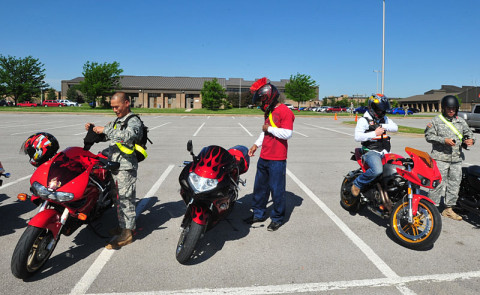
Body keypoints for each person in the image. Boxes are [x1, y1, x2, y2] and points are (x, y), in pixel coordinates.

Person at [85, 92, 143, 249]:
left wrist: (106, 130)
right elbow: (106, 135)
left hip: (126, 167)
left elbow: (128, 136)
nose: (115, 110)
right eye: (112, 107)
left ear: (126, 103)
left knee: (126, 200)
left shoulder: (133, 121)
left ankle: (128, 233)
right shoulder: (118, 121)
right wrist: (94, 129)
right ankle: (122, 226)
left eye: (117, 106)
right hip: (114, 166)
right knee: (117, 198)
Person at [244, 77, 295, 231]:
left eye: (261, 101)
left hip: (277, 159)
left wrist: (269, 129)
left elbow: (287, 133)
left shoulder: (285, 111)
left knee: (277, 190)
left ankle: (277, 218)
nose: (261, 104)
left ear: (268, 97)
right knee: (260, 188)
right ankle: (258, 213)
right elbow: (265, 133)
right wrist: (255, 145)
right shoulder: (270, 111)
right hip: (264, 157)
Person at [425, 95, 475, 220]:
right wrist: (444, 140)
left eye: (453, 108)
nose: (451, 111)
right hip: (440, 158)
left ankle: (448, 209)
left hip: (456, 159)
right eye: (449, 108)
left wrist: (471, 140)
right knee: (437, 184)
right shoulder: (436, 121)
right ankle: (431, 209)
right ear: (444, 108)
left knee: (454, 184)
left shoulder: (460, 121)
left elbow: (469, 133)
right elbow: (428, 136)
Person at [351, 94, 398, 197]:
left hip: (385, 152)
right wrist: (374, 133)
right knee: (377, 170)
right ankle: (357, 183)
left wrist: (382, 125)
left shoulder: (385, 119)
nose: (381, 112)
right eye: (379, 109)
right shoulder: (364, 120)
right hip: (371, 152)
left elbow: (395, 128)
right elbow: (357, 137)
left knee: (397, 170)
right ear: (372, 107)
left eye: (383, 109)